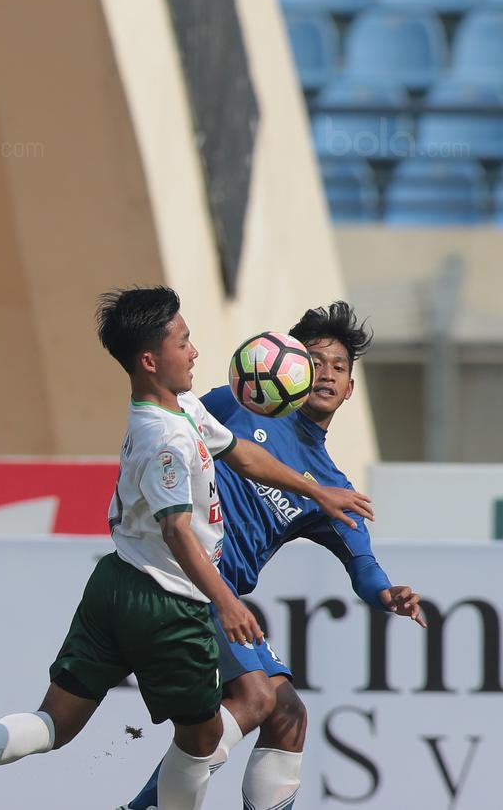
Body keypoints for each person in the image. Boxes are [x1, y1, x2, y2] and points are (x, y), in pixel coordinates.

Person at [0, 289, 374, 810]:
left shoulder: (184, 408)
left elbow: (243, 456)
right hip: (169, 603)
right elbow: (176, 532)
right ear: (150, 360)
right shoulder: (166, 437)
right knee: (204, 740)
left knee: (55, 722)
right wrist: (228, 600)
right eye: (185, 342)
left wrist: (316, 490)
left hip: (114, 584)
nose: (195, 352)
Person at [121, 301, 426, 810]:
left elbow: (363, 567)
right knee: (257, 699)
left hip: (222, 600)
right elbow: (159, 433)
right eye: (316, 360)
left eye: (340, 367)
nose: (327, 373)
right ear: (291, 367)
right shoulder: (234, 406)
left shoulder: (333, 488)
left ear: (350, 389)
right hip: (186, 581)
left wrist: (387, 594)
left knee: (287, 715)